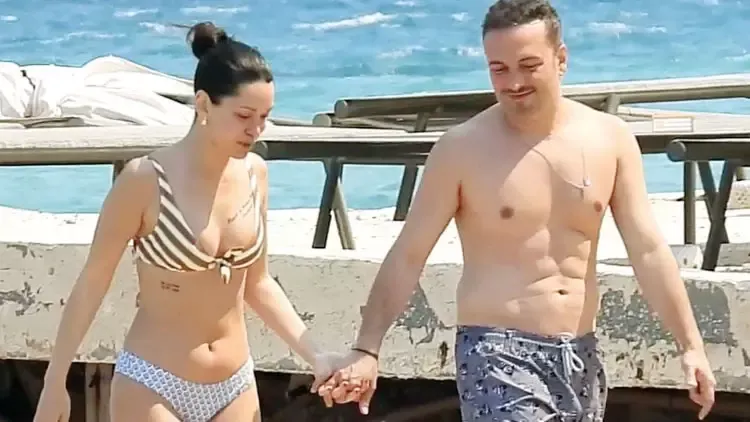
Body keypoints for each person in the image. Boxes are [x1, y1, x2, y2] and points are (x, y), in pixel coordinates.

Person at [316, 0, 717, 421]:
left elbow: (648, 250)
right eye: (499, 69)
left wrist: (691, 346)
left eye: (528, 66)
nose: (514, 82)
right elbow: (409, 253)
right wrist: (367, 348)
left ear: (561, 59)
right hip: (497, 353)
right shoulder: (461, 148)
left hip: (580, 355)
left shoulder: (610, 139)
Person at [33, 22, 338, 422]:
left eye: (264, 117)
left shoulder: (255, 175)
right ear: (203, 104)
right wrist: (54, 382)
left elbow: (258, 283)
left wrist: (316, 355)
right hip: (152, 383)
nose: (256, 130)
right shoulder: (145, 180)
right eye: (244, 115)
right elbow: (93, 282)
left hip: (235, 384)